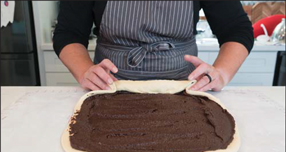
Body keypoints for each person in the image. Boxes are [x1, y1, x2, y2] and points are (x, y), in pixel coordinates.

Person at [53, 1, 254, 91]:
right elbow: (69, 33)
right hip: (110, 89)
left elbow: (237, 30)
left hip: (184, 90)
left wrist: (222, 73)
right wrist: (84, 71)